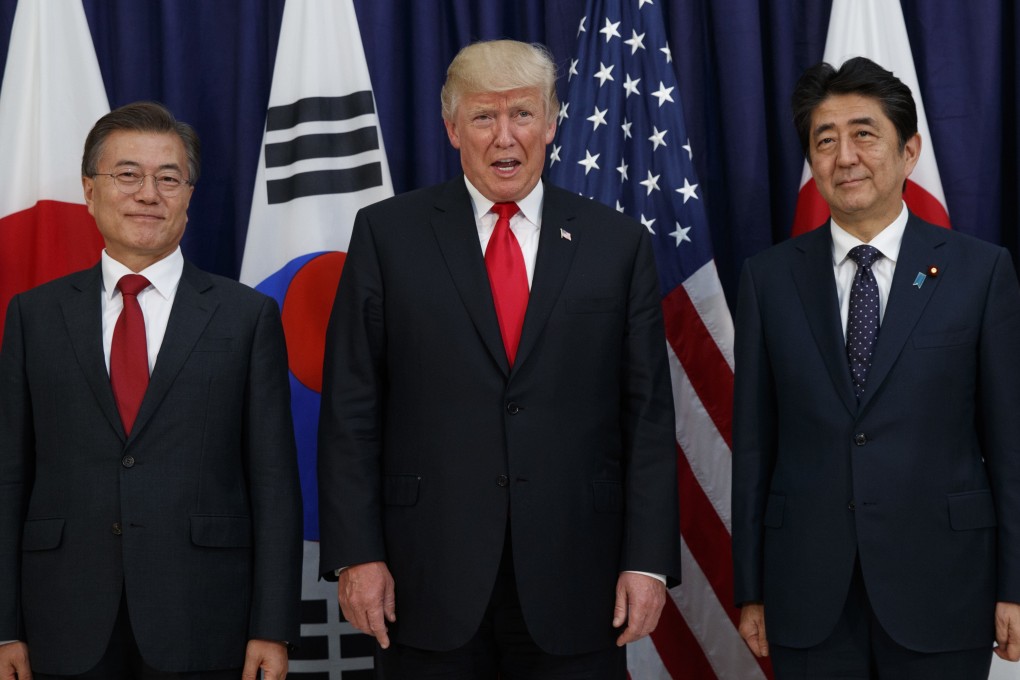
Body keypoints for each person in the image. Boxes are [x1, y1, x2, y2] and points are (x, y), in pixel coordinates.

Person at [317, 39, 681, 678]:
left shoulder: (617, 244)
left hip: (579, 575)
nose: (504, 136)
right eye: (484, 117)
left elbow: (647, 415)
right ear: (452, 128)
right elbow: (351, 408)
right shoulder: (387, 235)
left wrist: (647, 559)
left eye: (522, 114)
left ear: (552, 122)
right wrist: (356, 555)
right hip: (423, 577)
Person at [732, 56, 1020, 678]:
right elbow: (754, 445)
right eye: (824, 140)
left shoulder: (981, 272)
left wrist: (1016, 585)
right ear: (811, 161)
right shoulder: (769, 280)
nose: (844, 156)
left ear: (909, 151)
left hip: (946, 586)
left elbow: (1010, 443)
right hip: (808, 593)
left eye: (864, 134)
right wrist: (749, 584)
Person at [0, 101, 302, 679]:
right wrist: (4, 625)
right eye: (128, 175)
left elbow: (273, 483)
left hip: (205, 614)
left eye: (169, 178)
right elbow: (10, 475)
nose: (149, 194)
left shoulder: (247, 317)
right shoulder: (33, 317)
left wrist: (271, 625)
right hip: (60, 618)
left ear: (189, 195)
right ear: (89, 191)